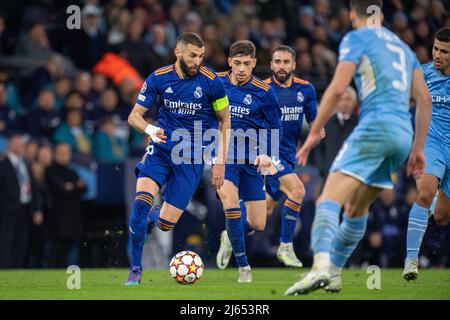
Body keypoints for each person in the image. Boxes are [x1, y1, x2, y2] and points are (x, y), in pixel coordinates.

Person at [284, 0, 431, 295]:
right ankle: (335, 275)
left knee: (328, 199)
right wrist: (418, 149)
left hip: (375, 127)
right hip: (402, 135)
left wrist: (314, 132)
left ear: (352, 15)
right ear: (382, 15)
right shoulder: (403, 48)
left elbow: (338, 88)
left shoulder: (357, 37)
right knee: (356, 208)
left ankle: (320, 267)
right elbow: (424, 100)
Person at [125, 32, 230, 285]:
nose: (197, 61)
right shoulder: (158, 78)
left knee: (165, 224)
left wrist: (220, 161)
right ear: (178, 52)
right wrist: (150, 130)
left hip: (192, 158)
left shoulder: (212, 82)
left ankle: (152, 219)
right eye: (193, 55)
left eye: (201, 56)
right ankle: (136, 269)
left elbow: (226, 120)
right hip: (161, 150)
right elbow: (134, 116)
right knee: (141, 202)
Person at [215, 40, 282, 282]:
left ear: (254, 63)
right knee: (231, 204)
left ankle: (229, 236)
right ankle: (244, 267)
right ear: (229, 62)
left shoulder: (264, 92)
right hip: (225, 158)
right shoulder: (217, 83)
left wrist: (268, 154)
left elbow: (275, 126)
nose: (242, 68)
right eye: (237, 63)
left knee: (258, 222)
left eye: (247, 63)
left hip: (253, 161)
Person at [403, 27, 450, 281]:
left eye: (444, 51)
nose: (437, 55)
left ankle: (435, 201)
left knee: (442, 218)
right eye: (435, 48)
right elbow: (405, 102)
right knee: (423, 192)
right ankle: (411, 260)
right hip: (431, 144)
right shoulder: (422, 73)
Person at [0, 134, 41, 268]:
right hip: (7, 211)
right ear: (9, 145)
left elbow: (33, 188)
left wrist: (36, 209)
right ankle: (5, 270)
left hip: (25, 209)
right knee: (6, 241)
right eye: (16, 144)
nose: (20, 146)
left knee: (21, 241)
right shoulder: (2, 164)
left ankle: (17, 270)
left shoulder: (26, 163)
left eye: (21, 144)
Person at [45, 143, 87, 267]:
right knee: (56, 250)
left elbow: (84, 188)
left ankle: (69, 275)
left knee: (71, 251)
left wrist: (71, 187)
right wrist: (74, 187)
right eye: (62, 152)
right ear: (55, 154)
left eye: (67, 153)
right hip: (57, 218)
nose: (65, 155)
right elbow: (61, 189)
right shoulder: (51, 170)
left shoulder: (72, 171)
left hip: (73, 217)